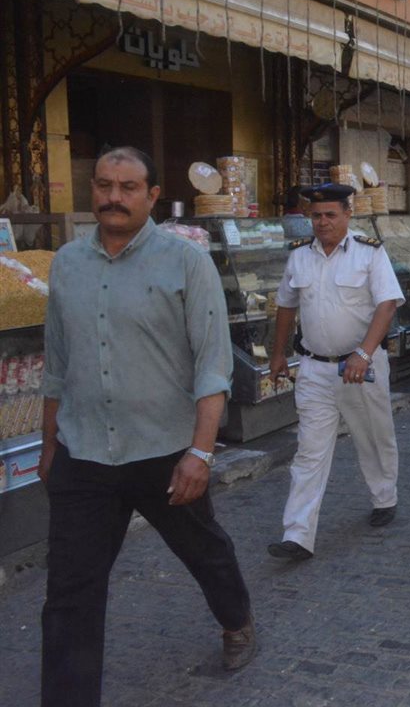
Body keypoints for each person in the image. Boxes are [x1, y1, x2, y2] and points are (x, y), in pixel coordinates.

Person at [38, 147, 255, 705]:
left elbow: (213, 364)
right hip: (84, 451)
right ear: (92, 188)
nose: (114, 197)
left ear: (153, 195)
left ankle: (236, 619)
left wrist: (200, 453)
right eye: (104, 185)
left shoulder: (186, 262)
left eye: (128, 187)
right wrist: (49, 444)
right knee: (69, 593)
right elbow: (57, 364)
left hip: (165, 451)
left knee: (202, 549)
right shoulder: (67, 263)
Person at [267, 182, 405, 561]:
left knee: (373, 436)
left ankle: (384, 496)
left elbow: (387, 305)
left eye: (330, 214)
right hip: (314, 367)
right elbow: (285, 306)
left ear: (347, 214)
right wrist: (278, 354)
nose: (322, 222)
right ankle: (298, 534)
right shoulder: (299, 256)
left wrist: (364, 353)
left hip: (360, 366)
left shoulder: (368, 253)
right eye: (316, 216)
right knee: (309, 451)